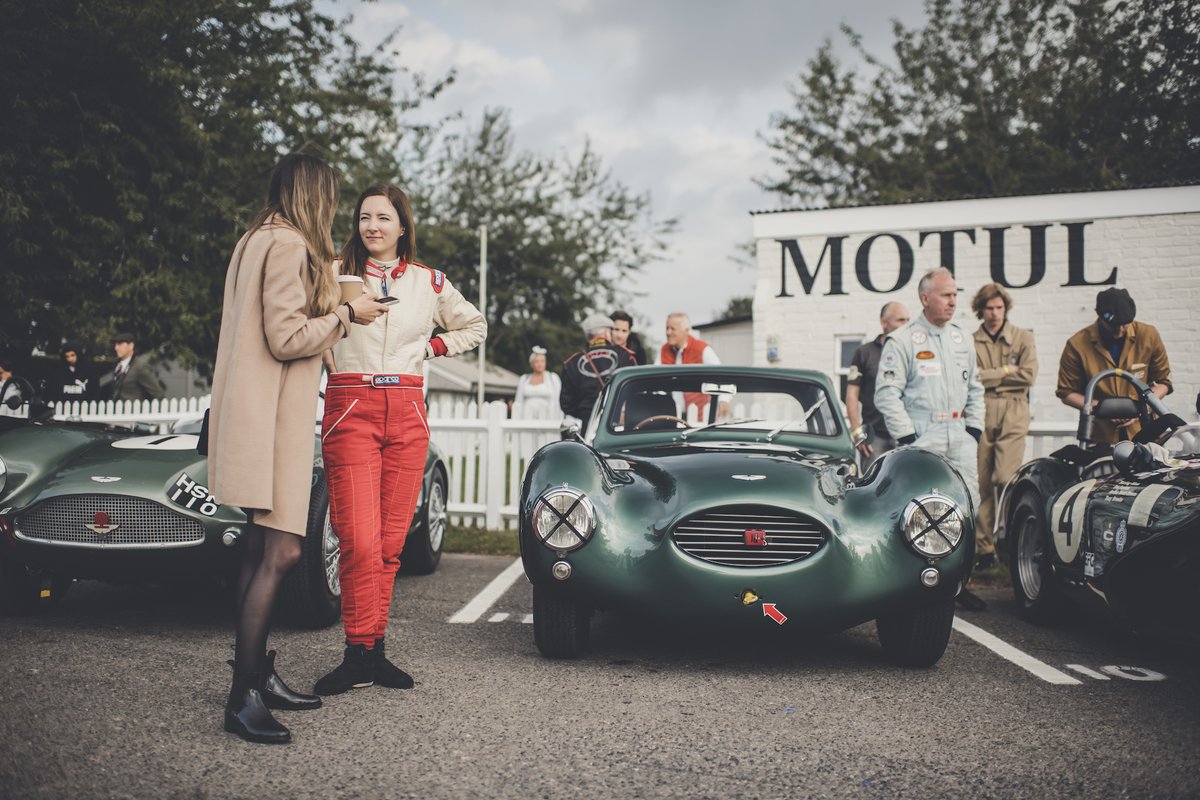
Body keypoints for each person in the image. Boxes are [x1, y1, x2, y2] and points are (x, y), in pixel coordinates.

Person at [208, 154, 390, 744]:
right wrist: (346, 314)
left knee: (258, 547)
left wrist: (330, 306)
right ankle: (242, 699)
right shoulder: (288, 245)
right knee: (283, 553)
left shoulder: (254, 238)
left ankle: (258, 675)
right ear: (317, 195)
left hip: (249, 415)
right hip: (272, 425)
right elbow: (286, 338)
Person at [315, 184, 486, 696]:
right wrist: (330, 349)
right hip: (351, 405)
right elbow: (305, 325)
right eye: (365, 217)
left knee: (390, 544)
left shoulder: (429, 281)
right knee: (358, 538)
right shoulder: (333, 273)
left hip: (408, 409)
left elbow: (474, 326)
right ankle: (354, 651)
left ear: (402, 226)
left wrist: (430, 346)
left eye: (383, 218)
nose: (373, 226)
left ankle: (374, 651)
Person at [874, 267, 985, 609]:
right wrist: (908, 437)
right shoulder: (903, 340)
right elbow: (886, 395)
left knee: (969, 507)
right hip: (923, 435)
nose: (954, 301)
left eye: (955, 294)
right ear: (925, 298)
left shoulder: (962, 337)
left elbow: (975, 387)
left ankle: (959, 581)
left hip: (960, 434)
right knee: (923, 510)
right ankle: (921, 580)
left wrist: (974, 429)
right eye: (946, 295)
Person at [971, 283, 1038, 568]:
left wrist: (992, 375)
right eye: (989, 308)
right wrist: (1008, 371)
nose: (994, 313)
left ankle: (1010, 541)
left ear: (1005, 308)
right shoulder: (971, 340)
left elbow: (1029, 375)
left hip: (1013, 409)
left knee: (1006, 478)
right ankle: (983, 548)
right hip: (982, 409)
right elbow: (973, 378)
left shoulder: (1022, 337)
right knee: (982, 482)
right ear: (981, 310)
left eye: (999, 307)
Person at [1056, 287, 1172, 444]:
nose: (1120, 330)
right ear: (1099, 314)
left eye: (1125, 324)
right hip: (1100, 436)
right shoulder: (1076, 344)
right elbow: (1066, 392)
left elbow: (1164, 381)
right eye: (1113, 325)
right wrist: (1104, 409)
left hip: (1145, 431)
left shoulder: (1149, 335)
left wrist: (1139, 407)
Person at [845, 301, 910, 467]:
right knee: (873, 487)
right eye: (900, 320)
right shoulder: (864, 353)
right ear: (884, 323)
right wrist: (857, 432)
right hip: (874, 438)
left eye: (908, 320)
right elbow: (852, 394)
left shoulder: (912, 353)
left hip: (907, 435)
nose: (906, 325)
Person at [560, 314, 636, 429]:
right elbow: (634, 392)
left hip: (586, 426)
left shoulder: (572, 362)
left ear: (588, 336)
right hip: (617, 425)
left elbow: (566, 404)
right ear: (607, 333)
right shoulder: (625, 356)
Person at [656, 311, 720, 419]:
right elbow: (654, 379)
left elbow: (720, 375)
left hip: (699, 415)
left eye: (673, 329)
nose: (668, 332)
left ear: (686, 331)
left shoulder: (702, 349)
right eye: (667, 328)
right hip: (670, 415)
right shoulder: (664, 350)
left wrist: (724, 400)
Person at [108, 332, 166, 401]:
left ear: (131, 346)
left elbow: (158, 394)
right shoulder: (117, 366)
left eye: (120, 344)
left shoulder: (140, 367)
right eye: (115, 344)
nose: (116, 348)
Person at [514, 346, 562, 418]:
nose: (540, 364)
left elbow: (558, 401)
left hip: (547, 417)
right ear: (531, 364)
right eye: (536, 361)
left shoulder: (552, 378)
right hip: (526, 417)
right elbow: (518, 401)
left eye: (542, 361)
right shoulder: (524, 379)